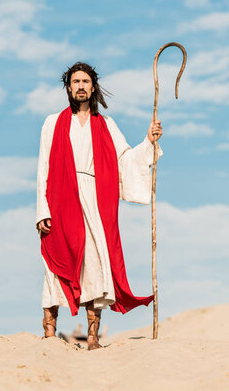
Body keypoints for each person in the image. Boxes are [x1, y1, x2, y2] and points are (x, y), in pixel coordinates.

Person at [36, 62, 162, 350]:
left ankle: (92, 338)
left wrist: (148, 142)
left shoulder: (106, 125)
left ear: (93, 87)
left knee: (94, 261)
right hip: (59, 198)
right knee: (55, 262)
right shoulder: (52, 123)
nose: (81, 86)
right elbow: (43, 167)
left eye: (86, 81)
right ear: (68, 87)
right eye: (76, 81)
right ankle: (49, 333)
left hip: (94, 198)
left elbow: (125, 161)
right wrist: (41, 210)